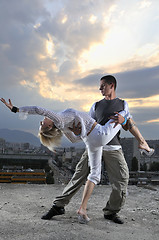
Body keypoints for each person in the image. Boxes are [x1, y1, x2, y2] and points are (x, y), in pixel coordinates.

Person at [39, 75, 154, 224]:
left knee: (121, 180)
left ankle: (111, 212)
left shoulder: (123, 104)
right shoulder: (96, 106)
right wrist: (76, 132)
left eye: (103, 86)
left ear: (112, 85)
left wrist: (124, 120)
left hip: (113, 147)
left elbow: (127, 124)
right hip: (94, 146)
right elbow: (87, 128)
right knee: (78, 177)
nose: (100, 89)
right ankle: (58, 206)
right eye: (100, 86)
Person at [0, 95, 129, 224]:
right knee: (79, 175)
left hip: (102, 143)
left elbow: (75, 138)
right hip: (98, 137)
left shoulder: (62, 125)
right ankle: (59, 206)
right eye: (42, 124)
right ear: (49, 126)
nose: (41, 121)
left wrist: (78, 132)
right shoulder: (62, 118)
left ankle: (96, 210)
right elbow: (38, 109)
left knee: (107, 177)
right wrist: (16, 109)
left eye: (41, 123)